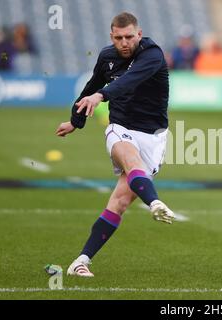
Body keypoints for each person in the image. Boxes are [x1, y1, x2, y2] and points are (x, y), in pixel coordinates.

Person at [56, 12, 175, 277]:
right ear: (112, 37)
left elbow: (127, 82)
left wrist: (102, 95)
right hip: (120, 127)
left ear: (139, 34)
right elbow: (92, 86)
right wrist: (76, 121)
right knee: (130, 159)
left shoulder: (152, 56)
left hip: (154, 136)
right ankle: (154, 202)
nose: (124, 42)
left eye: (129, 37)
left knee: (119, 202)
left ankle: (80, 261)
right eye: (119, 38)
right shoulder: (107, 57)